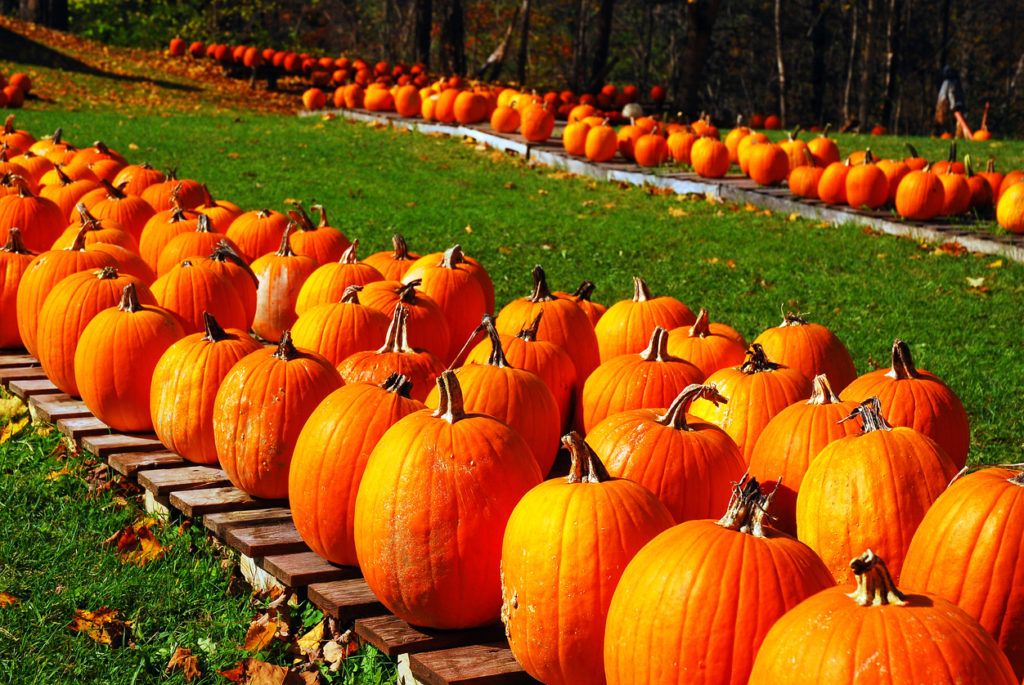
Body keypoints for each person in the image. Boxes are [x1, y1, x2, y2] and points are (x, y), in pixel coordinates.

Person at [935, 65, 972, 138]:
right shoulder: (949, 83)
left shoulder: (953, 83)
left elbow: (950, 94)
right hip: (950, 103)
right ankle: (941, 133)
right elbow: (946, 95)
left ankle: (961, 135)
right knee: (942, 120)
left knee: (960, 120)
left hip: (955, 104)